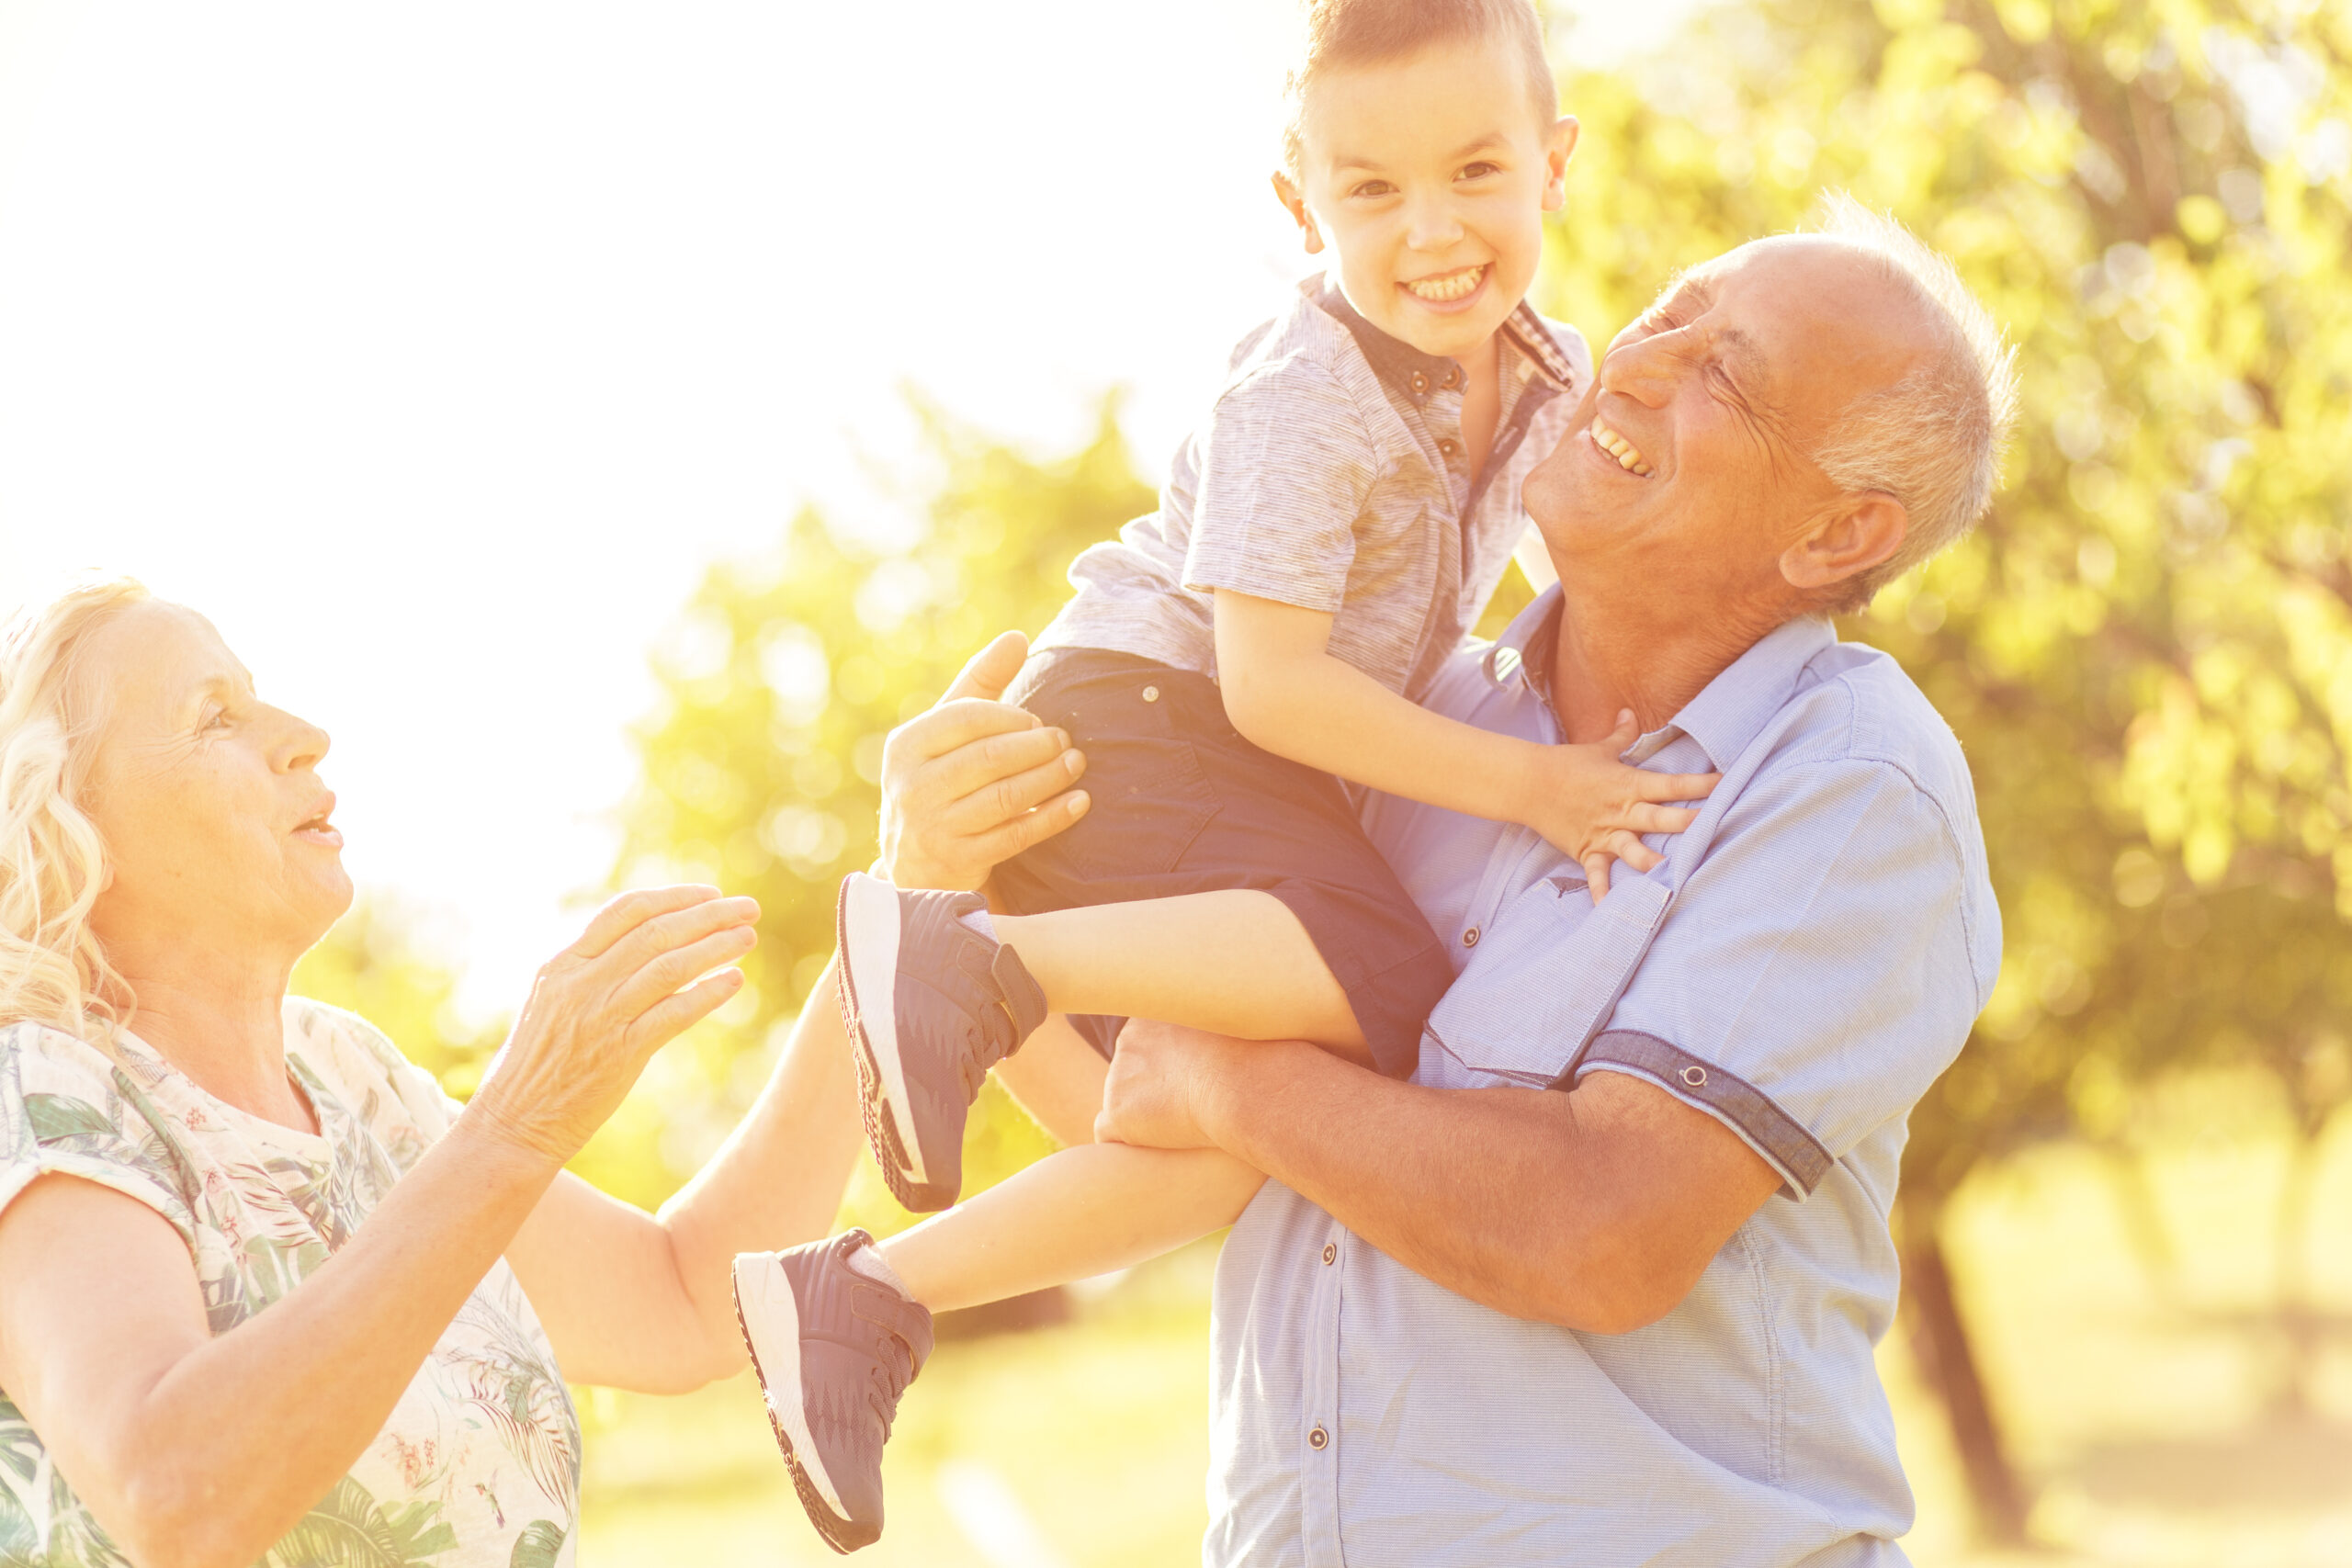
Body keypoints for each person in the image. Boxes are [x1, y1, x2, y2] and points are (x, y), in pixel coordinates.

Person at [850, 200, 2017, 1566]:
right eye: (1672, 308)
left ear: (1835, 536)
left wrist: (1248, 1084)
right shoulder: (1398, 725)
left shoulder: (1847, 785)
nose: (1637, 359)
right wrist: (943, 893)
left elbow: (1606, 1231)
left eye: (1727, 374)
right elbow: (1136, 1120)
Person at [730, 3, 1711, 1548]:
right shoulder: (1300, 391)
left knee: (1224, 1146)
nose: (1435, 231)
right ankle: (967, 961)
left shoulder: (1539, 372)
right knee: (1382, 977)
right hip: (1137, 717)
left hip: (1204, 768)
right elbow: (1270, 685)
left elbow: (1589, 563)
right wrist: (1534, 793)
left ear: (1554, 166)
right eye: (1372, 191)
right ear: (1298, 204)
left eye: (1474, 172)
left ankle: (857, 1300)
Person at [0, 580, 877, 1568]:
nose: (306, 734)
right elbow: (171, 1494)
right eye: (215, 719)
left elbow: (682, 1301)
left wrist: (879, 949)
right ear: (68, 827)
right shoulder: (38, 1094)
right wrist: (514, 1126)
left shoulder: (346, 1074)